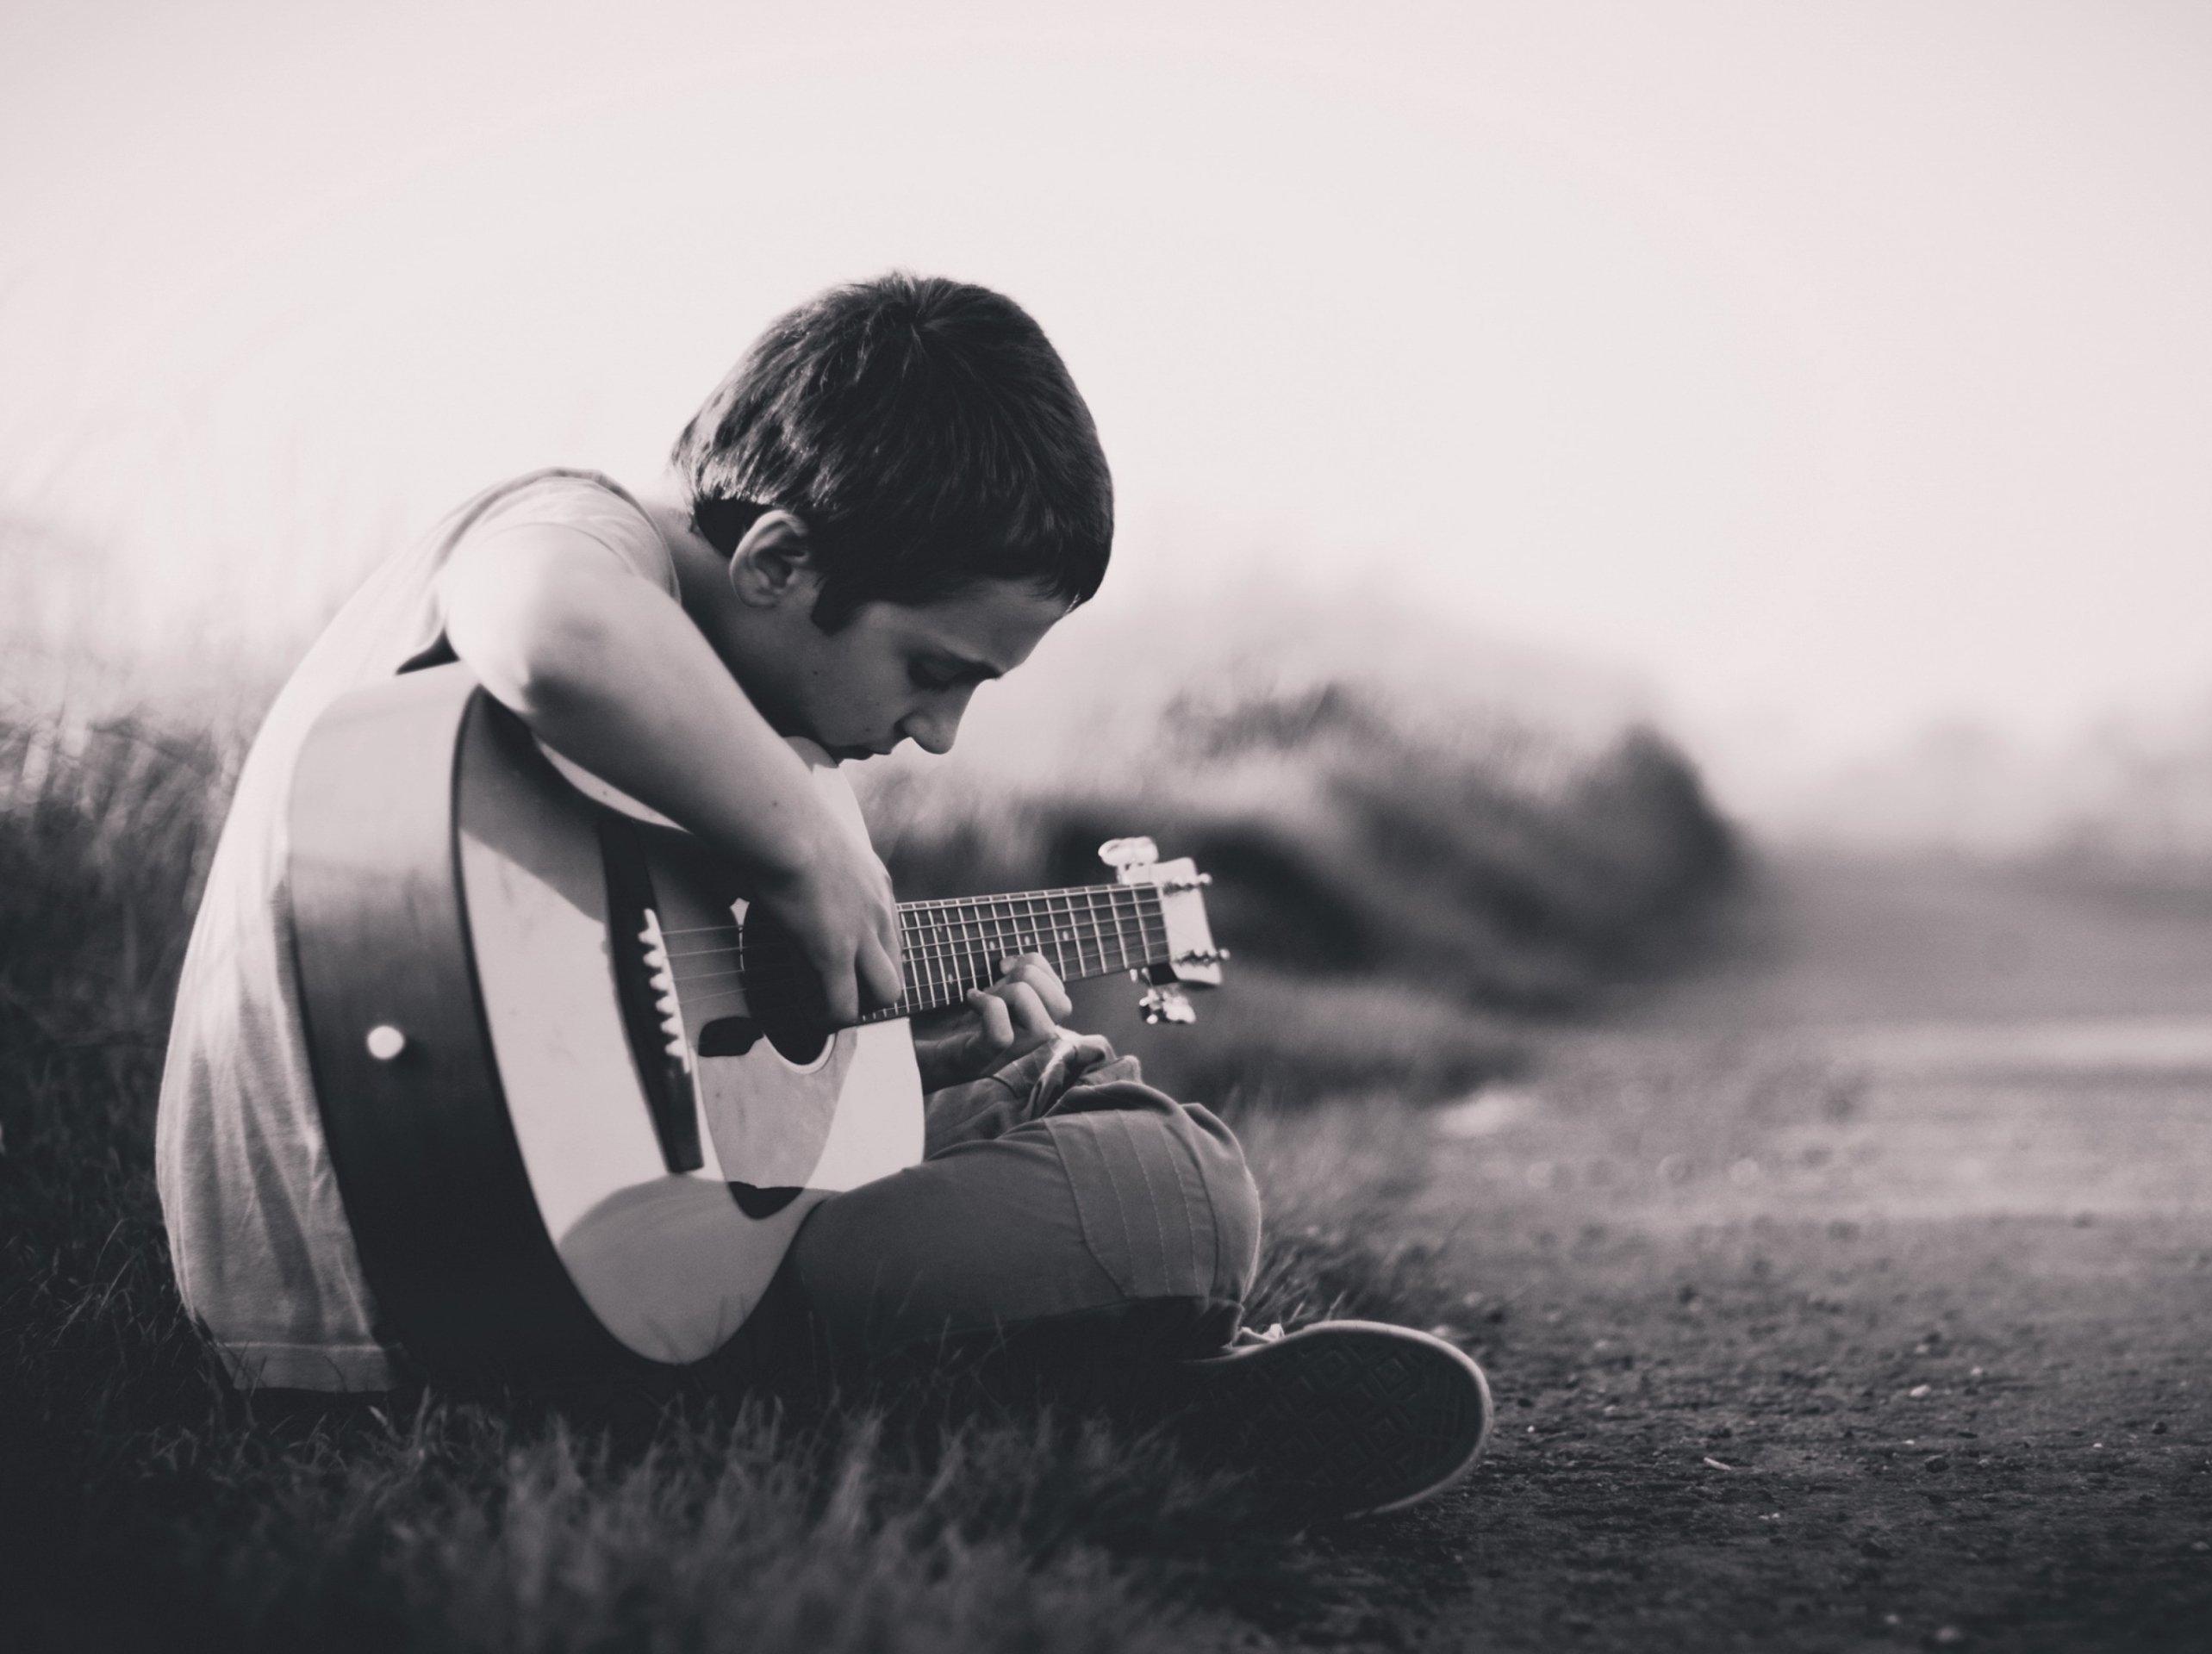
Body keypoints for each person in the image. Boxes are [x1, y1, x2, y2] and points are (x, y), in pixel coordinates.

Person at [155, 272, 1490, 1519]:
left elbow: (635, 1062)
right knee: (1180, 1183)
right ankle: (1096, 1379)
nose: (940, 734)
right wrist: (807, 843)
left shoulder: (705, 725)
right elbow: (550, 631)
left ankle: (1065, 1384)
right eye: (934, 667)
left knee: (1037, 1084)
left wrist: (897, 1061)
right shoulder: (570, 530)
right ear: (779, 561)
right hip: (437, 1301)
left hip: (507, 1270)